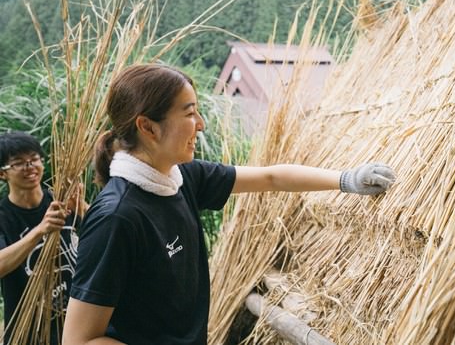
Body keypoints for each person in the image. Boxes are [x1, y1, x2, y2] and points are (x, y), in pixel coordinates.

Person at [62, 63, 395, 345]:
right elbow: (79, 340)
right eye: (189, 113)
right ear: (147, 126)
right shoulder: (117, 217)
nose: (201, 124)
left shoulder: (183, 178)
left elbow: (271, 178)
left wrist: (346, 180)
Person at [0, 131, 86, 344]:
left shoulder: (62, 201)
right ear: (2, 174)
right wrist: (40, 230)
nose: (29, 167)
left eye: (34, 159)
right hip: (28, 331)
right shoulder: (3, 217)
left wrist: (83, 208)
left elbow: (104, 239)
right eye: (18, 163)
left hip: (78, 323)